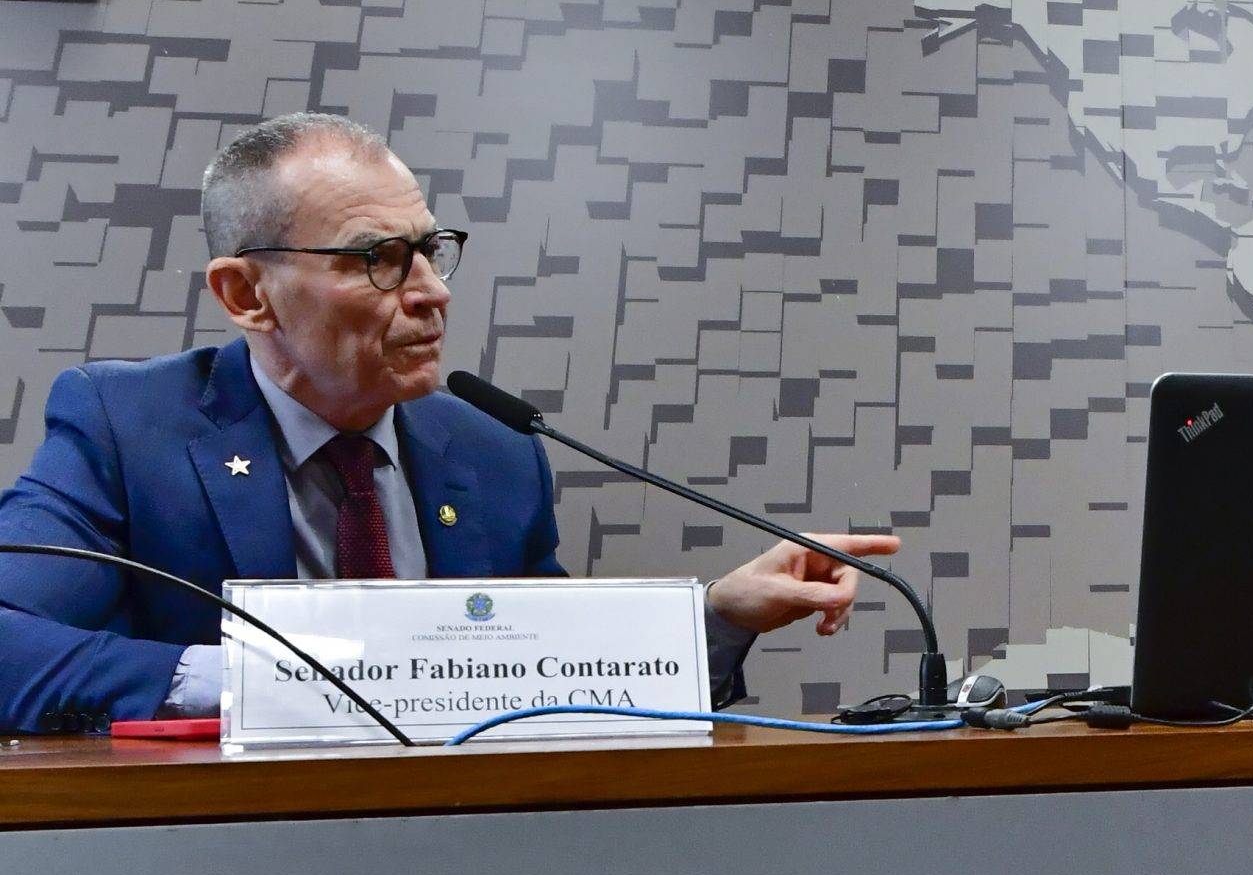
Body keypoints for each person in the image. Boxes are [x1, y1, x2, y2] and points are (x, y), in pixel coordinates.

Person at [0, 113, 896, 732]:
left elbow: (551, 679)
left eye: (429, 249)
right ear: (246, 294)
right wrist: (256, 681)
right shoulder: (127, 427)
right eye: (378, 259)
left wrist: (717, 618)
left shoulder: (492, 451)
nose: (433, 292)